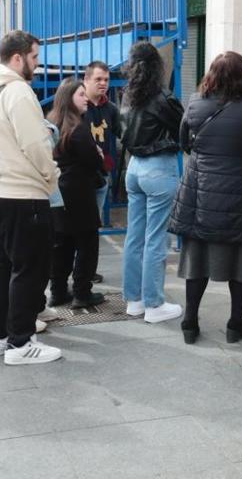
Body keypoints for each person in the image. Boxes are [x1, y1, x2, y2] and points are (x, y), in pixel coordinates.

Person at [170, 51, 242, 344]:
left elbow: (184, 144)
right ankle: (235, 323)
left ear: (211, 75)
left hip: (200, 192)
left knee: (197, 258)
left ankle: (190, 322)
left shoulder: (194, 103)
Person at [0, 30, 62, 365]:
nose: (37, 65)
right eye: (34, 57)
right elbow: (37, 144)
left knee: (1, 266)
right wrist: (51, 176)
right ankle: (21, 343)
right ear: (17, 58)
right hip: (19, 192)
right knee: (30, 269)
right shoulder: (18, 91)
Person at [120, 41, 184, 323]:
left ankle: (134, 300)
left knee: (135, 237)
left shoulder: (128, 96)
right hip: (158, 168)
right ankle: (154, 304)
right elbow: (184, 130)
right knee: (155, 238)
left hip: (133, 169)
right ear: (157, 66)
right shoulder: (163, 98)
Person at [47, 78, 106, 309]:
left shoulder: (51, 123)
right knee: (87, 243)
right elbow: (94, 161)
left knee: (61, 245)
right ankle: (82, 292)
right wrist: (99, 156)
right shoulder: (78, 128)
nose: (86, 99)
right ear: (69, 98)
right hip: (79, 193)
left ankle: (58, 291)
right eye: (81, 95)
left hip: (57, 193)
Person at [82, 61, 122, 234]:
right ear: (86, 79)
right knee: (77, 228)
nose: (103, 83)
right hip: (79, 176)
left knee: (92, 228)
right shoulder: (77, 105)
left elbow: (124, 133)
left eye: (106, 80)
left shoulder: (111, 109)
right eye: (98, 79)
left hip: (101, 176)